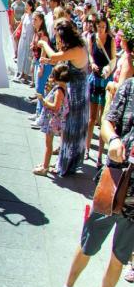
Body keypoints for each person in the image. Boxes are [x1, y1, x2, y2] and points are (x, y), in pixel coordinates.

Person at [49, 73, 134, 287]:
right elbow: (108, 122)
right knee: (89, 244)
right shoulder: (131, 87)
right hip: (116, 182)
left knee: (120, 257)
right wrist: (113, 142)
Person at [38, 19, 90, 176]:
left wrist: (43, 43)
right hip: (75, 89)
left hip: (76, 92)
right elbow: (60, 60)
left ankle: (65, 164)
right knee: (70, 128)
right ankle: (66, 161)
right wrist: (48, 60)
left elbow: (55, 56)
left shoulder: (77, 49)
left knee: (70, 128)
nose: (58, 41)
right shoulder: (77, 46)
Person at [88, 16, 116, 167]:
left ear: (107, 27)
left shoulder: (111, 40)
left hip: (105, 80)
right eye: (99, 26)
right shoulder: (92, 38)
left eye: (103, 27)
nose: (101, 29)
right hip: (94, 78)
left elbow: (113, 60)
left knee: (103, 119)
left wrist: (108, 70)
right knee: (92, 117)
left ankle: (99, 155)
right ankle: (87, 149)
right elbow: (90, 55)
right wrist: (92, 64)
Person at [33, 64, 70, 176]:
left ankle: (45, 168)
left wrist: (43, 101)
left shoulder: (59, 90)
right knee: (49, 144)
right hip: (57, 120)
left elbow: (55, 106)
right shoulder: (64, 87)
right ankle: (46, 164)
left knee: (48, 145)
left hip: (53, 120)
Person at [15, 0, 37, 84]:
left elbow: (35, 29)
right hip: (23, 38)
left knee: (28, 56)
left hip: (29, 38)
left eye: (27, 5)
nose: (25, 7)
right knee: (21, 55)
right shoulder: (24, 16)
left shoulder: (33, 16)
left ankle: (26, 75)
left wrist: (34, 40)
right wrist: (14, 34)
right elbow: (20, 25)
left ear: (30, 6)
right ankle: (21, 72)